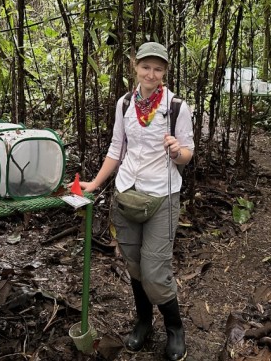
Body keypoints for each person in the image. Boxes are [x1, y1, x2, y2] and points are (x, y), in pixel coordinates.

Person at [80, 41, 194, 361]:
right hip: (126, 193)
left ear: (165, 72)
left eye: (158, 68)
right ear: (135, 66)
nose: (151, 73)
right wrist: (95, 184)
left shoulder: (176, 107)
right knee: (134, 266)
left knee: (155, 271)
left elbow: (187, 151)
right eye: (146, 66)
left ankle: (174, 327)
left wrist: (177, 152)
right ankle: (144, 321)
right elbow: (117, 148)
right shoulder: (125, 103)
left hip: (162, 195)